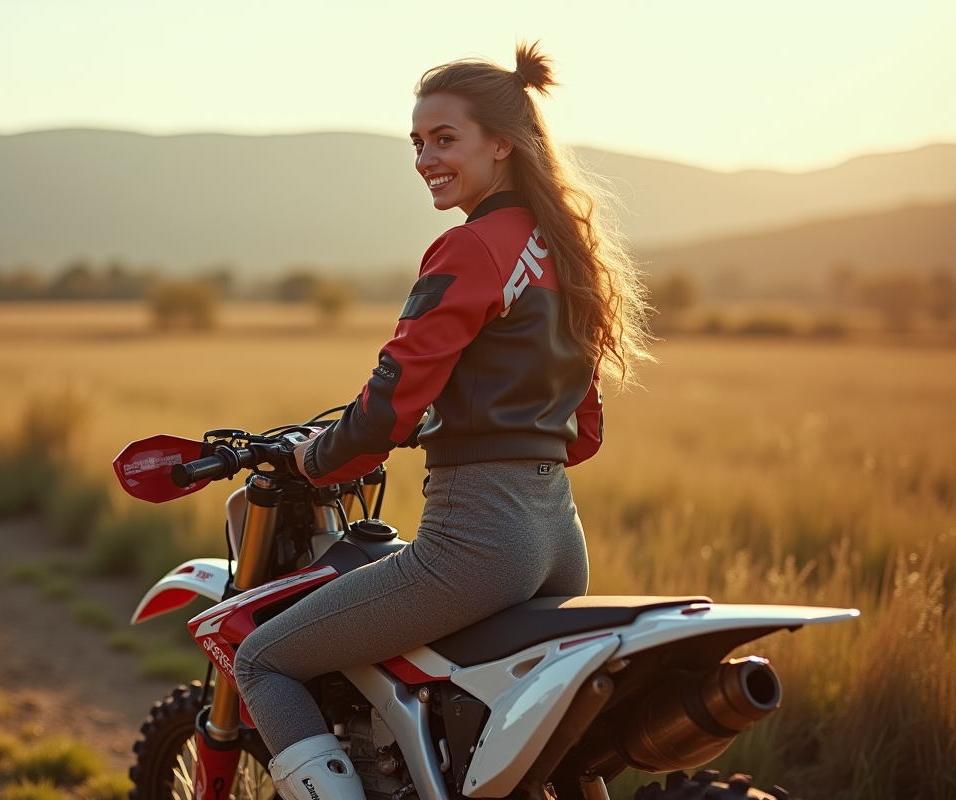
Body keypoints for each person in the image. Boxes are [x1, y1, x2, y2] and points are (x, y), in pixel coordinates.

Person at [234, 42, 652, 800]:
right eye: (417, 143)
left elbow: (388, 404)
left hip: (477, 540)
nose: (426, 157)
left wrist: (312, 461)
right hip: (558, 532)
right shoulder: (565, 249)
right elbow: (582, 429)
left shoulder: (468, 246)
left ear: (502, 144)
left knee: (262, 658)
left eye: (444, 139)